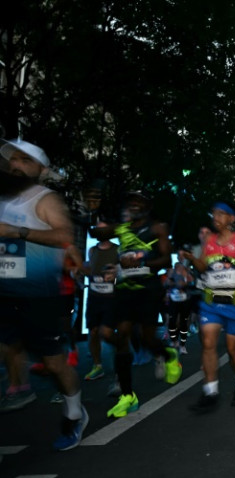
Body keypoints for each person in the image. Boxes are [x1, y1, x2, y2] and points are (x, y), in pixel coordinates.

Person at [0, 138, 88, 449]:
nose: (16, 165)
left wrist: (16, 231)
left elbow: (65, 235)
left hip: (39, 295)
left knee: (53, 364)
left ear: (40, 169)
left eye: (25, 160)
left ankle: (75, 413)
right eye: (13, 160)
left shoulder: (45, 199)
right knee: (7, 348)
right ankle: (19, 386)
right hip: (5, 293)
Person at [89, 191, 181, 418]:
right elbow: (97, 231)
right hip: (123, 290)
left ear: (147, 207)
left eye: (138, 203)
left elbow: (165, 260)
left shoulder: (158, 228)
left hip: (147, 289)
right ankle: (128, 396)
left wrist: (140, 261)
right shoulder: (122, 228)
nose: (134, 206)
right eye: (130, 203)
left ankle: (168, 355)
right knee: (111, 334)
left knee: (147, 337)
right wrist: (92, 209)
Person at [183, 202, 235, 412]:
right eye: (214, 214)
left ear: (231, 219)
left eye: (221, 214)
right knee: (209, 343)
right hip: (212, 301)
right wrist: (193, 258)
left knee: (232, 349)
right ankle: (211, 391)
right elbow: (202, 266)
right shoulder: (209, 241)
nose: (215, 217)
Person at [81, 221, 119, 381]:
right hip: (94, 298)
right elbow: (89, 268)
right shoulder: (92, 250)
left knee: (108, 333)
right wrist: (79, 270)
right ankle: (97, 366)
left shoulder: (118, 250)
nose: (101, 231)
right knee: (93, 332)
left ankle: (121, 364)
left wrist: (116, 274)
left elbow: (129, 271)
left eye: (104, 228)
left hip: (111, 299)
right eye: (98, 228)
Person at [166, 261, 194, 354]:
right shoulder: (171, 273)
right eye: (177, 267)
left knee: (183, 323)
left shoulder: (186, 273)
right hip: (173, 301)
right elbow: (167, 283)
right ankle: (174, 341)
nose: (179, 268)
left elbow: (192, 282)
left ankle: (182, 345)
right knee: (172, 321)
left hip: (185, 301)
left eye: (180, 267)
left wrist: (185, 283)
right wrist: (174, 283)